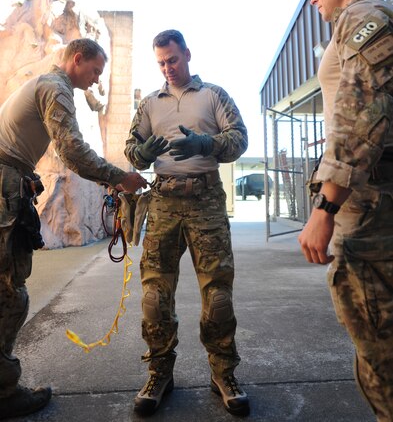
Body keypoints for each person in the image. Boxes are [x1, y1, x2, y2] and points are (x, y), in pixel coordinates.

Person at [0, 38, 147, 420]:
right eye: (95, 70)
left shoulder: (45, 85)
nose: (97, 80)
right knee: (10, 294)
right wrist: (119, 178)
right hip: (4, 183)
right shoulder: (55, 88)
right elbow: (72, 150)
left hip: (9, 179)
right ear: (77, 59)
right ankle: (3, 392)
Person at [124, 29, 249, 417]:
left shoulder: (213, 95)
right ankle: (160, 372)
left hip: (206, 198)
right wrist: (141, 153)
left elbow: (239, 139)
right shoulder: (148, 104)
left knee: (218, 296)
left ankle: (223, 374)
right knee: (154, 297)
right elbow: (132, 151)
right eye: (161, 62)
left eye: (173, 60)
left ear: (187, 55)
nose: (167, 68)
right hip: (162, 200)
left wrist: (205, 144)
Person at [298, 0, 393, 421]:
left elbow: (362, 117)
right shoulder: (351, 28)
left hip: (370, 207)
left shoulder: (365, 21)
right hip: (368, 198)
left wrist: (325, 207)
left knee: (380, 345)